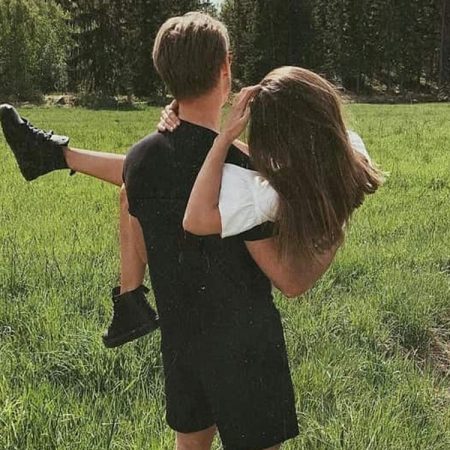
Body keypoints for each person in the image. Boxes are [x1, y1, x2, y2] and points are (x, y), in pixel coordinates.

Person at [1, 12, 338, 450]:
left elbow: (141, 218)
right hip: (246, 349)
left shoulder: (141, 160)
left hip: (182, 343)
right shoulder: (244, 175)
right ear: (225, 68)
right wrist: (336, 230)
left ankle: (55, 158)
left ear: (165, 75)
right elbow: (289, 280)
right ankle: (53, 156)